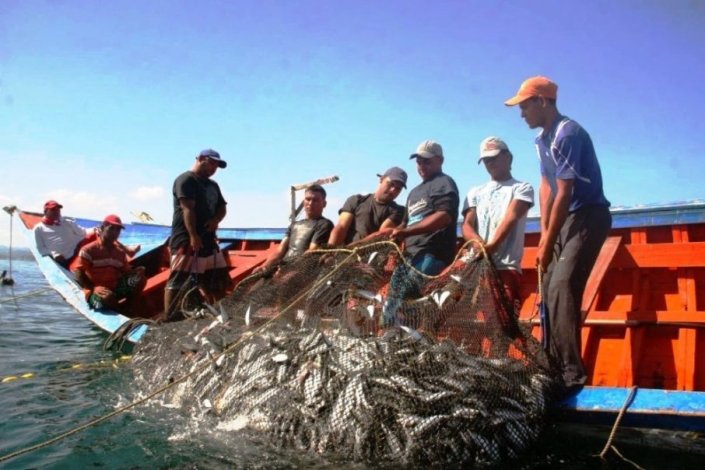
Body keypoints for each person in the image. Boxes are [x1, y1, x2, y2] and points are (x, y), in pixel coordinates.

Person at [505, 76, 611, 396]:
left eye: (525, 106)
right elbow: (547, 187)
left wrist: (549, 241)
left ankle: (571, 373)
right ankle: (550, 365)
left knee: (563, 284)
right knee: (548, 285)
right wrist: (544, 234)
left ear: (543, 102)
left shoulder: (569, 134)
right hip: (564, 220)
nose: (521, 113)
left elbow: (566, 191)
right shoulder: (540, 141)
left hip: (589, 216)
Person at [382, 140, 460, 327]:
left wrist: (407, 231)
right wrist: (397, 235)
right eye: (418, 161)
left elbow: (444, 217)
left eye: (427, 161)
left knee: (409, 299)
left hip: (431, 254)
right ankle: (391, 343)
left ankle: (412, 344)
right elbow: (404, 223)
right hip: (408, 257)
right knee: (390, 305)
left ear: (440, 160)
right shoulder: (414, 192)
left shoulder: (444, 183)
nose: (421, 166)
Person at [461, 136, 534, 312]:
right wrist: (477, 243)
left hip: (505, 267)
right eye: (486, 160)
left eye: (493, 158)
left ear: (508, 157)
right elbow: (467, 224)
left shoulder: (522, 188)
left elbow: (512, 217)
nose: (490, 163)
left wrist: (492, 246)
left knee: (501, 322)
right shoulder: (474, 192)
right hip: (475, 265)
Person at [164, 149, 231, 318]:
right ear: (201, 159)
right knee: (179, 280)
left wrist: (216, 220)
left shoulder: (213, 185)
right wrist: (193, 235)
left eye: (217, 165)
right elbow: (188, 208)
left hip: (209, 241)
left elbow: (222, 207)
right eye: (212, 163)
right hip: (186, 240)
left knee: (219, 279)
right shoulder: (186, 180)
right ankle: (170, 318)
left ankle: (221, 315)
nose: (214, 168)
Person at [72, 214, 146, 312]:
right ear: (102, 228)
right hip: (95, 292)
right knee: (106, 298)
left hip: (114, 288)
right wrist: (93, 288)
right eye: (111, 229)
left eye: (118, 230)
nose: (114, 232)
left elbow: (125, 271)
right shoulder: (88, 250)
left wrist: (136, 272)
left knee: (140, 279)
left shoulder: (119, 253)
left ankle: (130, 308)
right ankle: (121, 312)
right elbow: (78, 273)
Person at [34, 200, 138, 268]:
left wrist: (96, 229)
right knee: (79, 268)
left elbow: (83, 232)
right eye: (53, 210)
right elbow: (41, 249)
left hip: (78, 247)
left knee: (102, 233)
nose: (57, 211)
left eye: (58, 209)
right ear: (45, 211)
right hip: (67, 258)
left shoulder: (66, 222)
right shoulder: (39, 228)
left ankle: (126, 251)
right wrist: (54, 254)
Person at [255, 184, 334, 272]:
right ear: (303, 202)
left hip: (301, 271)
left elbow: (311, 253)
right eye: (308, 199)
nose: (310, 203)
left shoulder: (324, 224)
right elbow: (280, 250)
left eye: (315, 200)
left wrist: (288, 271)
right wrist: (264, 266)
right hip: (282, 267)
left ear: (324, 204)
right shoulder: (294, 225)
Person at [328, 167, 407, 247]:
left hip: (373, 255)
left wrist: (350, 249)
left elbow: (380, 236)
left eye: (398, 189)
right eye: (391, 184)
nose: (393, 190)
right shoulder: (356, 200)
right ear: (381, 179)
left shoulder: (399, 211)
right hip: (344, 254)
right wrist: (330, 250)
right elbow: (341, 227)